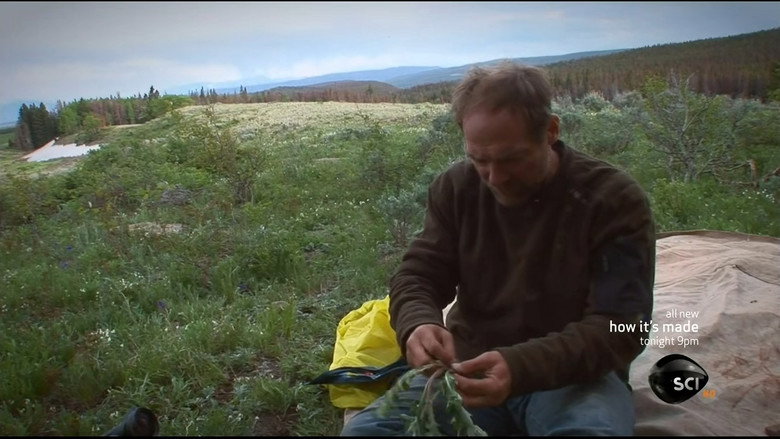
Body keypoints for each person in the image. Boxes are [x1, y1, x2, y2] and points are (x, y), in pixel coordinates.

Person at [341, 61, 655, 436]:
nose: (495, 177)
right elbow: (420, 273)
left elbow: (622, 327)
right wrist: (418, 323)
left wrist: (519, 367)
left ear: (551, 131)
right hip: (465, 368)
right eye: (479, 160)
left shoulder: (611, 199)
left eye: (511, 159)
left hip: (571, 377)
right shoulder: (456, 188)